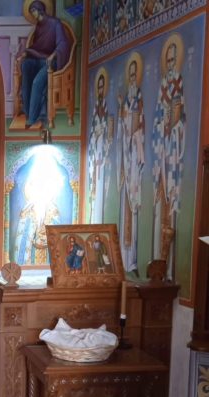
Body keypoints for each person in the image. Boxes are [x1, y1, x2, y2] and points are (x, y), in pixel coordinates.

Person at [152, 38, 185, 269]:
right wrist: (160, 122)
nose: (171, 64)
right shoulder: (162, 86)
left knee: (171, 201)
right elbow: (154, 119)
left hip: (173, 151)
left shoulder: (178, 84)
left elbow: (182, 118)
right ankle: (157, 261)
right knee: (159, 206)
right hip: (161, 150)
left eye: (174, 60)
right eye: (169, 60)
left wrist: (174, 124)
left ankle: (167, 267)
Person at [17, 0, 71, 129]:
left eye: (33, 10)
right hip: (39, 59)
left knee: (37, 82)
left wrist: (53, 55)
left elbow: (63, 44)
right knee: (26, 66)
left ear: (39, 9)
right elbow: (37, 47)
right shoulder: (39, 26)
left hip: (52, 62)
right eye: (31, 12)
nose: (33, 14)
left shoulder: (55, 23)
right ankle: (27, 111)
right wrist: (25, 54)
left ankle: (32, 118)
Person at [117, 56, 145, 272]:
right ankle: (123, 258)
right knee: (124, 207)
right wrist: (122, 111)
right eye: (131, 75)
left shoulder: (138, 100)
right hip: (126, 158)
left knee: (133, 208)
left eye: (135, 75)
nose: (133, 79)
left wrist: (133, 135)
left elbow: (139, 127)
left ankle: (132, 259)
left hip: (134, 158)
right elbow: (122, 127)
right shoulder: (126, 101)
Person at [88, 71, 112, 223]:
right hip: (95, 156)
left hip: (102, 157)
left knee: (101, 190)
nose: (101, 90)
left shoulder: (105, 108)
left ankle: (99, 221)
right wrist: (96, 134)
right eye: (99, 87)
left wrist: (104, 134)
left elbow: (107, 131)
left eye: (103, 87)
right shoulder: (96, 108)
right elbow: (92, 132)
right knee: (95, 191)